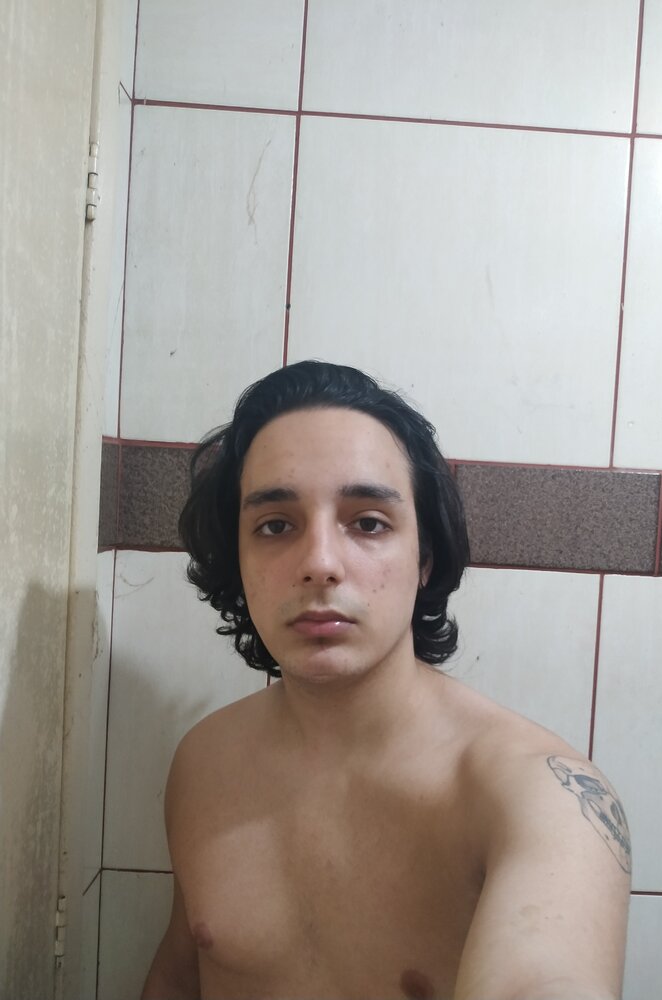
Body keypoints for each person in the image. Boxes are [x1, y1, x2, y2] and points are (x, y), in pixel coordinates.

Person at [141, 360, 631, 1000]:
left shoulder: (542, 795)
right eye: (276, 525)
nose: (320, 563)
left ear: (424, 558)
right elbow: (178, 977)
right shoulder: (204, 764)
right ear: (239, 559)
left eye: (368, 522)